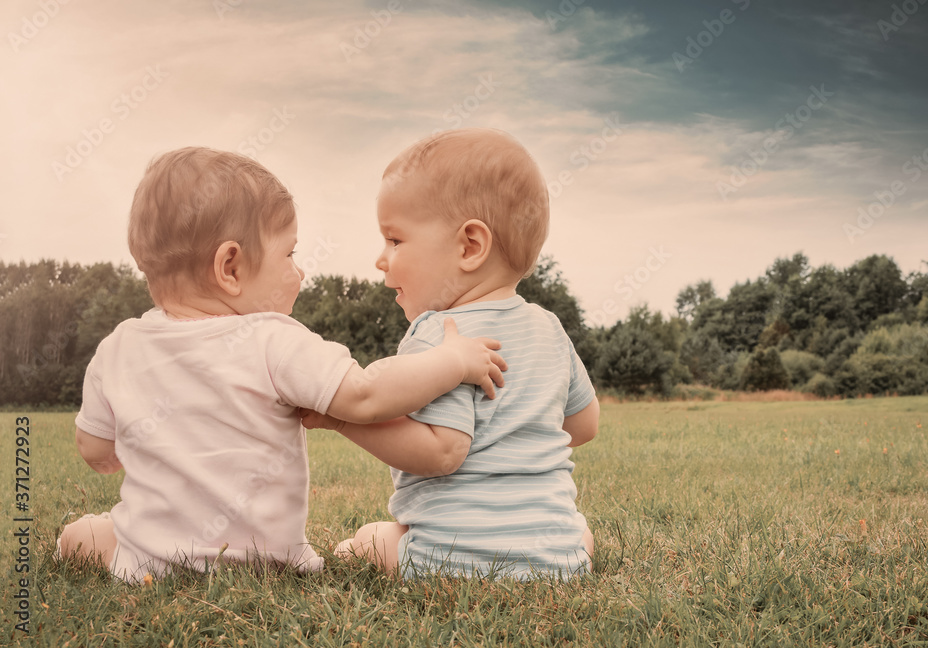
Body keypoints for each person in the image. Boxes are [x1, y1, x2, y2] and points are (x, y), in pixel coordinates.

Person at [57, 147, 507, 584]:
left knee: (85, 535)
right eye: (290, 255)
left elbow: (96, 452)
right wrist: (450, 361)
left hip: (150, 563)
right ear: (229, 267)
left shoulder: (118, 347)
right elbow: (366, 394)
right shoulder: (273, 338)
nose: (301, 273)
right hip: (267, 565)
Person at [303, 128, 600, 580]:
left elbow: (441, 453)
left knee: (368, 538)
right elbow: (584, 424)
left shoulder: (439, 333)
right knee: (580, 532)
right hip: (555, 559)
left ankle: (356, 549)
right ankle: (552, 555)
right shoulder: (549, 328)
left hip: (446, 559)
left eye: (395, 240)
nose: (382, 259)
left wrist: (343, 419)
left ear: (469, 247)